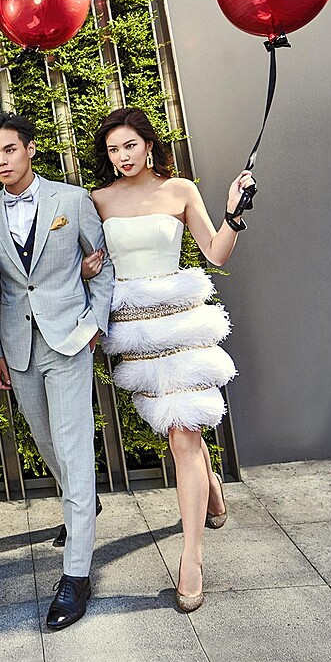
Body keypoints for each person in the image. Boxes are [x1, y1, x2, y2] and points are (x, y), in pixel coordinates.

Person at [86, 106, 250, 613]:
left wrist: (233, 214)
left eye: (130, 145)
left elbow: (215, 253)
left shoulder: (180, 190)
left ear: (149, 145)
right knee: (179, 434)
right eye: (113, 149)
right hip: (135, 331)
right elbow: (88, 266)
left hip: (182, 324)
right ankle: (211, 487)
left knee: (183, 436)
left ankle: (191, 557)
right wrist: (88, 269)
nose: (122, 156)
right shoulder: (98, 200)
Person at [0, 112, 114, 631]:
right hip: (19, 346)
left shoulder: (71, 200)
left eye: (9, 149)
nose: (1, 161)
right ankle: (85, 503)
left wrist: (95, 323)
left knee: (73, 447)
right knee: (46, 440)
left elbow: (103, 265)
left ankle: (76, 574)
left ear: (30, 149)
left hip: (70, 340)